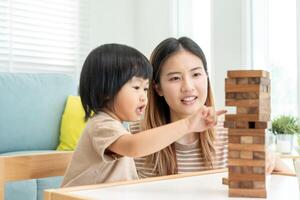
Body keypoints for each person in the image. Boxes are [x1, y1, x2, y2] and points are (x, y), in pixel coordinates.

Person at [61, 43, 226, 187]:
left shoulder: (117, 128)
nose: (143, 97)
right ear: (107, 92)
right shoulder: (101, 125)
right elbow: (133, 147)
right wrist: (188, 124)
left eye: (145, 89)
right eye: (136, 88)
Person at [132, 37, 292, 178]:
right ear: (158, 87)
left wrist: (271, 159)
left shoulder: (231, 132)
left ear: (206, 77)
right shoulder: (134, 137)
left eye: (196, 74)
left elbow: (291, 183)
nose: (188, 87)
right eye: (175, 78)